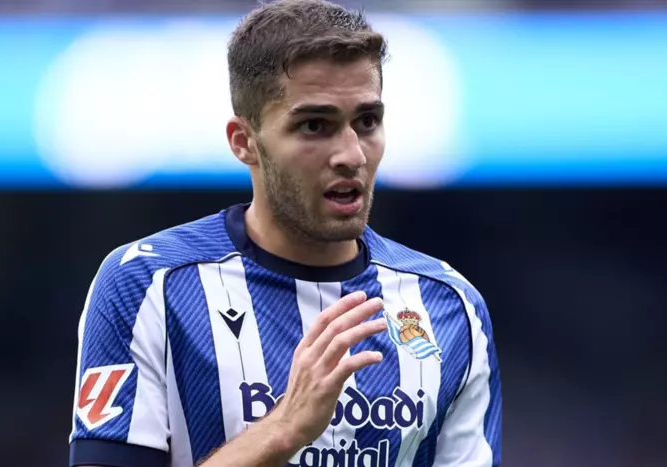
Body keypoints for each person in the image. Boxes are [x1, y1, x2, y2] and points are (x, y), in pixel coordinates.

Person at [68, 1, 501, 466]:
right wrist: (284, 428)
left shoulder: (451, 307)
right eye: (315, 125)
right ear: (244, 142)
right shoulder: (147, 286)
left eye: (367, 121)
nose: (352, 154)